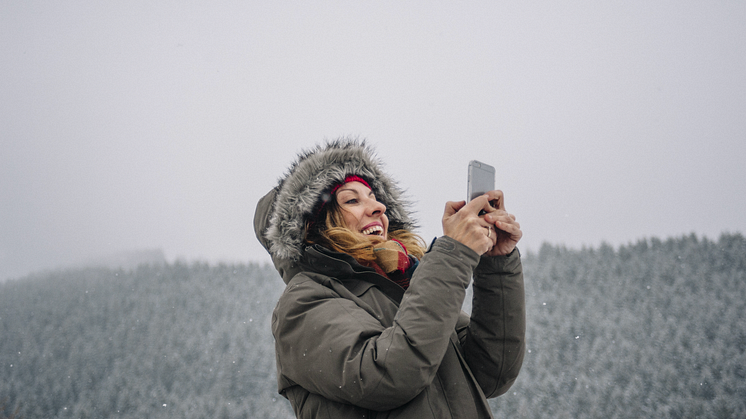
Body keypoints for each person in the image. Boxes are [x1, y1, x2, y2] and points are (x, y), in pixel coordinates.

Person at [254, 139, 525, 419]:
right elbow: (388, 376)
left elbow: (492, 372)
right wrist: (453, 254)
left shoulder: (404, 285)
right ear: (313, 227)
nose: (378, 207)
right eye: (352, 200)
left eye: (374, 196)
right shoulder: (303, 303)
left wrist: (495, 264)